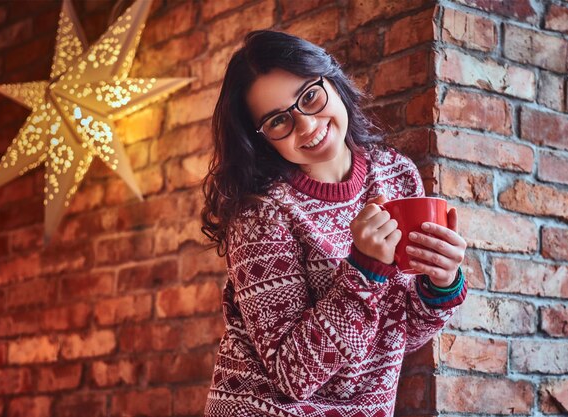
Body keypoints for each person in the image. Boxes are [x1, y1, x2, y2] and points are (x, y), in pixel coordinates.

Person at [200, 30, 467, 417]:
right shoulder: (261, 212)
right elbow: (293, 376)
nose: (306, 126)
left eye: (310, 96)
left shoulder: (395, 175)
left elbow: (398, 333)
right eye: (279, 120)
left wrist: (441, 283)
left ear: (333, 80)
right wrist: (365, 271)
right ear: (261, 138)